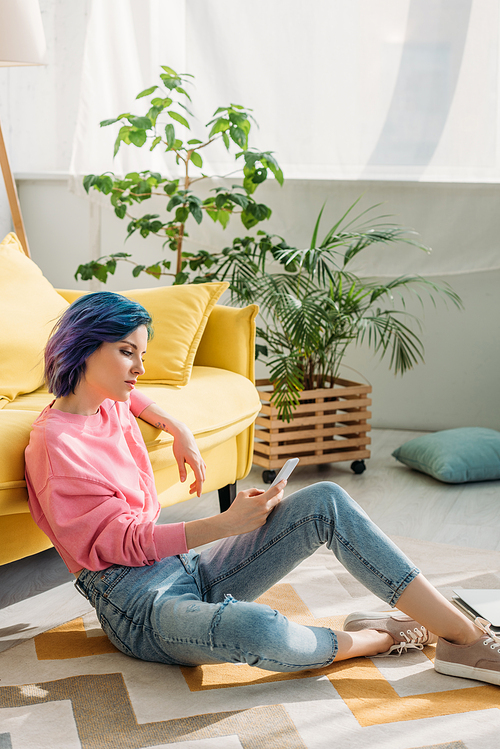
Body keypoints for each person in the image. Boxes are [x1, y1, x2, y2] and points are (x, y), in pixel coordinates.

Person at [24, 292, 500, 685]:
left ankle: (462, 636)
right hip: (138, 606)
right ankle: (388, 637)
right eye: (127, 352)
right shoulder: (55, 446)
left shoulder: (107, 403)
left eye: (141, 354)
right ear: (83, 347)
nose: (139, 368)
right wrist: (224, 525)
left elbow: (138, 398)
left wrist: (176, 427)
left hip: (183, 568)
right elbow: (122, 544)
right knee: (257, 628)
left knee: (325, 502)